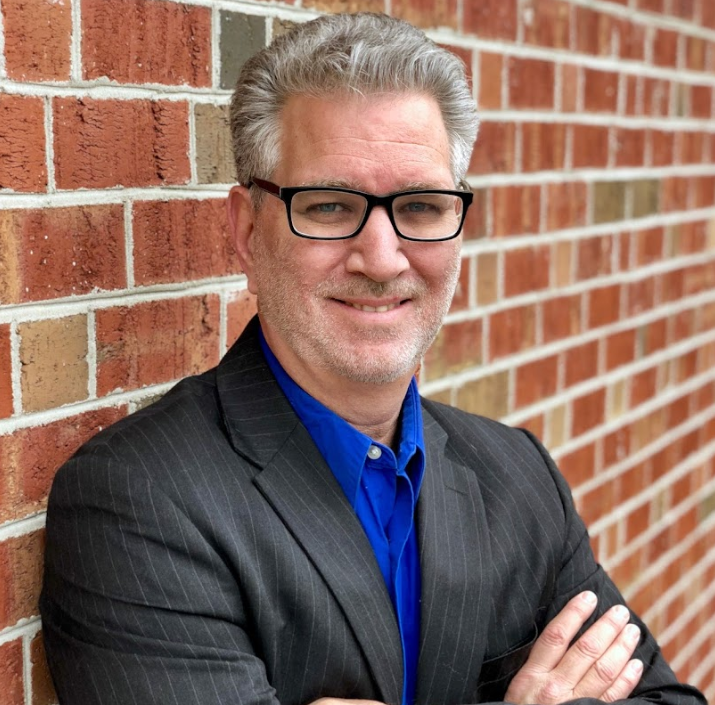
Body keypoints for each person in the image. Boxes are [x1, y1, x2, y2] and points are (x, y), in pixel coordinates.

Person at [40, 12, 705, 705]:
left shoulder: (518, 476)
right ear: (247, 233)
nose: (382, 260)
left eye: (419, 206)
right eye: (330, 206)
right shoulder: (139, 499)